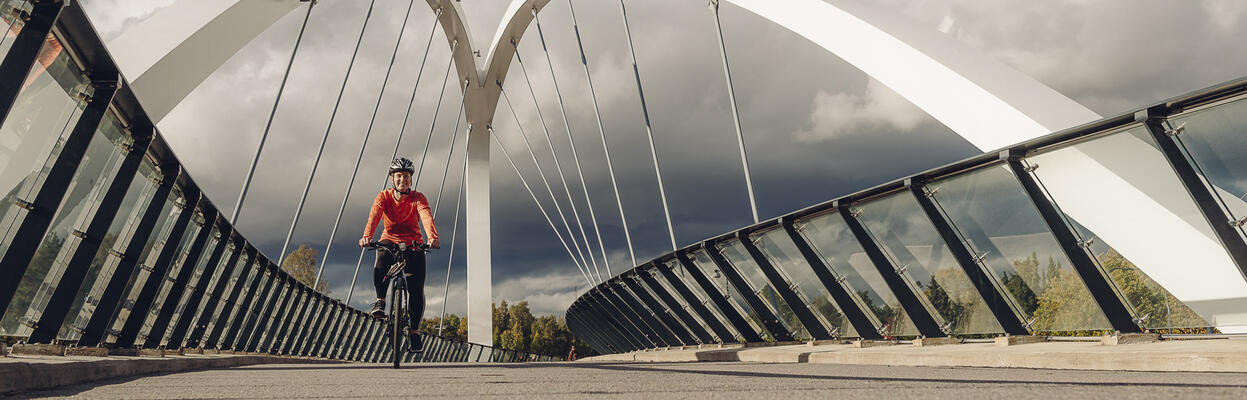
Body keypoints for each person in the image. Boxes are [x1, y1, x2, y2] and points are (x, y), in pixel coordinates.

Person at [359, 157, 440, 352]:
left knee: (416, 288)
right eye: (398, 176)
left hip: (413, 243)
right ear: (392, 179)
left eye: (406, 176)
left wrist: (433, 237)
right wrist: (367, 236)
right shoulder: (384, 197)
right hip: (390, 240)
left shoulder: (418, 198)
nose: (402, 179)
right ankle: (381, 301)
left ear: (410, 179)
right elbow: (374, 216)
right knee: (380, 261)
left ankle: (414, 333)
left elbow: (426, 216)